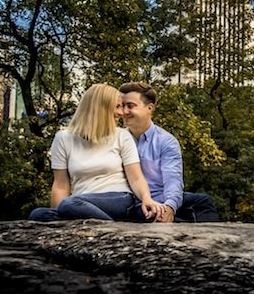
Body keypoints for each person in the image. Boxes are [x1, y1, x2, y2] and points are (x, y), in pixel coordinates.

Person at [29, 83, 163, 222]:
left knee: (69, 204)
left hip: (118, 199)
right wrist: (60, 216)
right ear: (101, 108)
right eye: (117, 106)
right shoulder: (63, 138)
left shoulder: (122, 136)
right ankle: (112, 224)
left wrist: (146, 199)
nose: (122, 113)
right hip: (81, 204)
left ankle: (111, 227)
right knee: (38, 214)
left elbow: (136, 178)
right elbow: (61, 185)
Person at [118, 81, 220, 223]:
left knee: (203, 201)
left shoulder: (166, 141)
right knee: (155, 215)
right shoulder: (117, 139)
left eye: (130, 106)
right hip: (134, 201)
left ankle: (209, 241)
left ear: (149, 108)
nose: (124, 112)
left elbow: (173, 180)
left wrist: (170, 207)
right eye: (121, 106)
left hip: (162, 197)